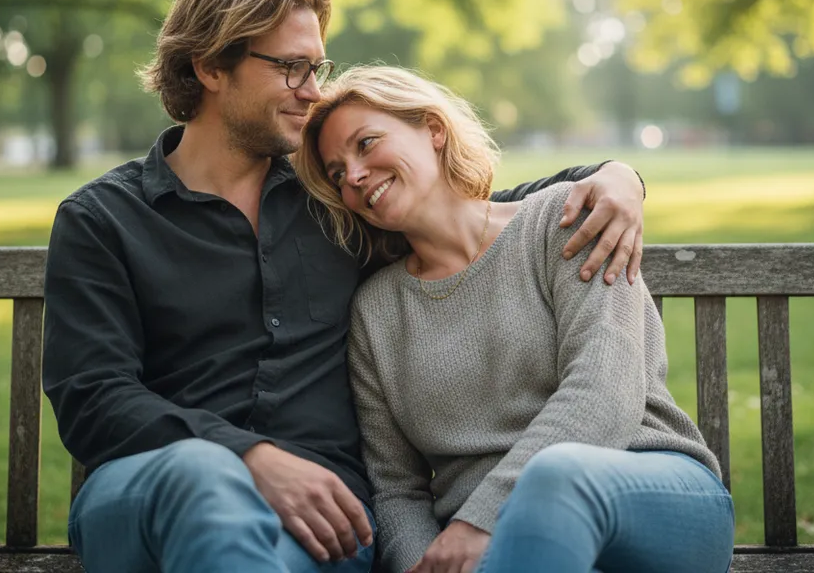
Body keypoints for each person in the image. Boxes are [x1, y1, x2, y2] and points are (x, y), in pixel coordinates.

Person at [42, 0, 649, 573]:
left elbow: (464, 211)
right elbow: (92, 396)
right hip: (154, 490)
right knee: (203, 478)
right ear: (209, 66)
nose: (312, 89)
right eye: (291, 68)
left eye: (316, 67)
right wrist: (246, 455)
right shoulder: (103, 221)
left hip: (323, 520)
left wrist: (614, 177)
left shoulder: (336, 202)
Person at [292, 65, 734, 573]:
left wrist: (478, 521)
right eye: (337, 173)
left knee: (555, 477)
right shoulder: (376, 312)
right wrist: (425, 564)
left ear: (432, 130)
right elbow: (396, 488)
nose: (353, 175)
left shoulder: (563, 220)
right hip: (504, 556)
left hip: (650, 496)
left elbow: (606, 387)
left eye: (366, 144)